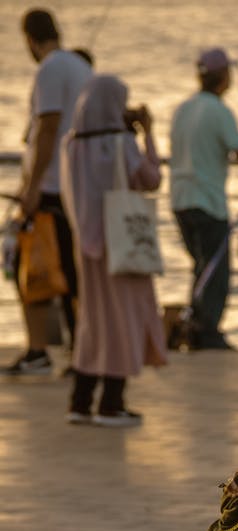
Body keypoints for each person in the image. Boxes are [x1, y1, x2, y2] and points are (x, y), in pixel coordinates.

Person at [60, 75, 167, 426]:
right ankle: (112, 402)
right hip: (121, 242)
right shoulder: (122, 142)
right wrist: (147, 132)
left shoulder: (71, 144)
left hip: (86, 245)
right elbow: (151, 179)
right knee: (124, 320)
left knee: (94, 322)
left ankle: (80, 402)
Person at [4, 8, 91, 376]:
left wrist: (32, 186)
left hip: (53, 188)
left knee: (37, 268)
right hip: (76, 184)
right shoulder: (78, 66)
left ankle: (49, 351)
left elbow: (48, 126)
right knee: (73, 274)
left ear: (29, 38)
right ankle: (80, 352)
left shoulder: (51, 68)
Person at [169, 47, 238, 350]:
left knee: (199, 266)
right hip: (207, 201)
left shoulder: (183, 109)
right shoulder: (219, 111)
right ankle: (207, 332)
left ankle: (194, 327)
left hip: (180, 199)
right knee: (215, 271)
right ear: (223, 77)